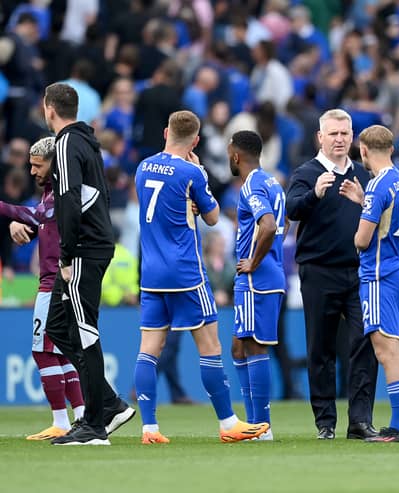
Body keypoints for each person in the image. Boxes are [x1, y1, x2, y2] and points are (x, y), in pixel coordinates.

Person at [133, 110, 269, 445]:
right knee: (210, 347)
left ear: (166, 131)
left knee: (149, 350)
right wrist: (200, 181)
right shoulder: (191, 172)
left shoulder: (143, 166)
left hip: (150, 272)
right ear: (195, 140)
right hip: (185, 272)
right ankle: (228, 424)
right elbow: (211, 218)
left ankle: (149, 428)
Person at [42, 82, 135, 446]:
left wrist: (66, 254)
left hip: (82, 249)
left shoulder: (66, 144)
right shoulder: (88, 143)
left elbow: (68, 198)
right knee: (58, 325)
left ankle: (94, 424)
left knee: (83, 329)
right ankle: (108, 403)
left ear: (49, 107)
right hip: (93, 244)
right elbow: (100, 195)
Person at [286, 108, 378, 440]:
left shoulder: (364, 176)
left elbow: (382, 215)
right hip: (319, 270)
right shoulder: (307, 172)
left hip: (359, 270)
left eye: (344, 133)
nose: (339, 139)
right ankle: (325, 422)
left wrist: (365, 199)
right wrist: (314, 194)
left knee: (364, 345)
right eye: (333, 133)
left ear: (352, 136)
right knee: (320, 348)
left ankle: (360, 420)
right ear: (320, 137)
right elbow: (291, 209)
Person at [1, 137, 85, 440]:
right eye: (31, 165)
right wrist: (17, 225)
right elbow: (42, 221)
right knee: (60, 353)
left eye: (38, 165)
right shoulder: (54, 193)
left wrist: (7, 213)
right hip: (59, 283)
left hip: (54, 284)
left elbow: (40, 216)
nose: (33, 171)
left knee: (42, 353)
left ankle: (61, 421)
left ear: (54, 164)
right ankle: (81, 417)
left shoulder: (60, 195)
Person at [339, 125, 399, 442]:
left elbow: (362, 239)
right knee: (397, 348)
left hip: (379, 275)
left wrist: (363, 209)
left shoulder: (377, 186)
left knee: (386, 353)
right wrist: (364, 202)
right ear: (392, 150)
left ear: (364, 150)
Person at [228, 130, 286, 441]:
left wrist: (254, 260)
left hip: (256, 278)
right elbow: (284, 224)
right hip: (268, 273)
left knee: (253, 345)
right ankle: (254, 423)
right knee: (238, 346)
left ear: (235, 155)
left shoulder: (252, 185)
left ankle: (260, 425)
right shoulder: (273, 181)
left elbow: (269, 224)